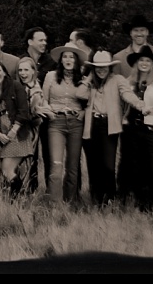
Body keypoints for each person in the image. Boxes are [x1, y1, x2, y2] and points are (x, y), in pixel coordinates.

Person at [80, 50, 142, 207]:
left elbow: (127, 94)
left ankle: (110, 199)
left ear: (110, 67)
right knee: (93, 165)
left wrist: (138, 104)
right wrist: (89, 78)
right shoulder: (90, 82)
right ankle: (96, 199)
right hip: (91, 125)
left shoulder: (117, 80)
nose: (101, 70)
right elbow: (79, 94)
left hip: (108, 125)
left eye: (105, 67)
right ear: (93, 68)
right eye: (98, 67)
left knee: (108, 164)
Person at [119, 44, 153, 216]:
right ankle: (143, 203)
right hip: (131, 130)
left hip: (151, 130)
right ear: (136, 64)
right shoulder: (129, 82)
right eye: (141, 60)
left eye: (148, 61)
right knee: (136, 167)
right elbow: (123, 104)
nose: (144, 63)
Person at [40, 44, 90, 204]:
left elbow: (90, 101)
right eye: (65, 57)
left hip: (76, 123)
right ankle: (54, 203)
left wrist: (83, 113)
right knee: (56, 164)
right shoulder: (51, 76)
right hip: (56, 122)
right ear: (60, 60)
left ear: (76, 60)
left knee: (73, 166)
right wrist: (49, 111)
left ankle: (70, 202)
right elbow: (43, 99)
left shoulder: (83, 79)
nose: (68, 60)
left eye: (71, 57)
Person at [0, 61, 34, 200]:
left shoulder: (16, 86)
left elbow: (23, 111)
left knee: (7, 170)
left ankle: (16, 201)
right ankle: (9, 199)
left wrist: (13, 131)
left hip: (16, 134)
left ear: (4, 71)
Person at [14, 56, 45, 195]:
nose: (23, 73)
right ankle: (16, 191)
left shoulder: (37, 89)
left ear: (33, 71)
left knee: (30, 160)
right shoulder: (16, 86)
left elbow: (36, 114)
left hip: (30, 130)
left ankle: (29, 192)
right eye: (20, 70)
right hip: (16, 130)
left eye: (26, 70)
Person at [113, 14, 153, 78]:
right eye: (135, 30)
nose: (139, 34)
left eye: (142, 30)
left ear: (147, 32)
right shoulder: (119, 58)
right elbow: (115, 82)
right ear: (130, 33)